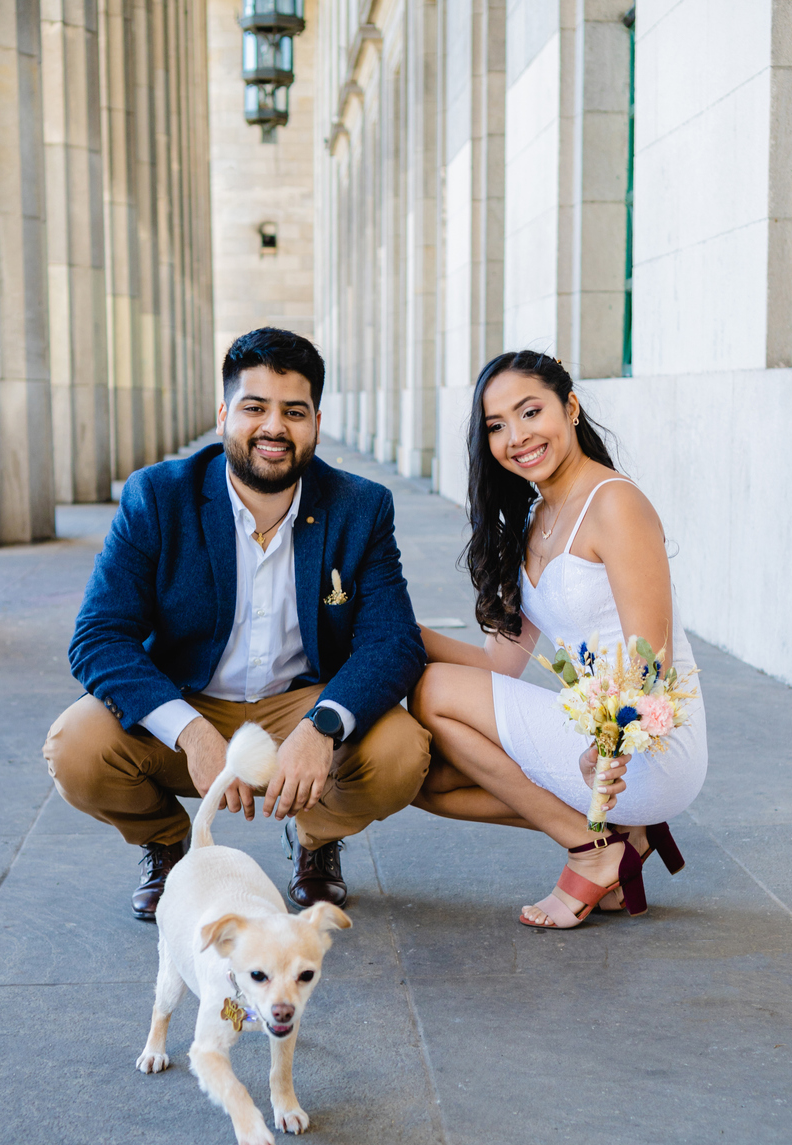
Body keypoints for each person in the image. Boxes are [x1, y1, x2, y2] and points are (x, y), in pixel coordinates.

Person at [44, 327, 430, 920]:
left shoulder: (360, 505)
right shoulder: (159, 496)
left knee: (403, 752)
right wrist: (192, 734)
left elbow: (393, 640)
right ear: (224, 414)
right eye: (255, 407)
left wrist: (321, 728)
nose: (274, 427)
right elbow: (98, 637)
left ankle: (314, 840)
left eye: (293, 412)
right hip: (187, 700)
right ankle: (169, 846)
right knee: (75, 747)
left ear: (316, 425)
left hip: (297, 706)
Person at [410, 351, 707, 929]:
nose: (516, 437)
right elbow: (501, 664)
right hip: (591, 733)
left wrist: (612, 740)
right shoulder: (533, 518)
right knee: (431, 784)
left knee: (433, 689)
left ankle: (593, 853)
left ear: (570, 407)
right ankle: (622, 837)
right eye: (496, 426)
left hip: (646, 740)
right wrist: (394, 628)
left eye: (529, 412)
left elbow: (653, 658)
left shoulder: (615, 504)